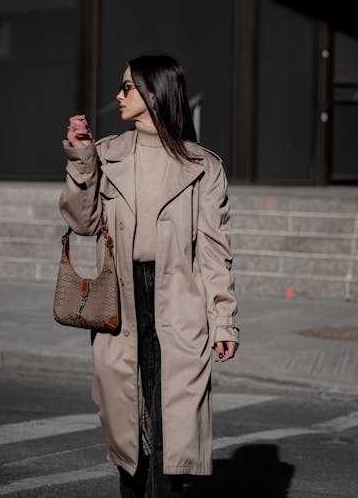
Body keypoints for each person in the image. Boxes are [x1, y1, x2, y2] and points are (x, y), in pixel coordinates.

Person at [60, 54, 239, 497]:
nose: (117, 96)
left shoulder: (203, 166)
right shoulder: (106, 154)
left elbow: (215, 254)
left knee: (171, 424)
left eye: (126, 88)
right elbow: (82, 224)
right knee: (127, 423)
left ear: (154, 94)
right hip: (120, 302)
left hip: (179, 301)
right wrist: (82, 159)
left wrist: (224, 319)